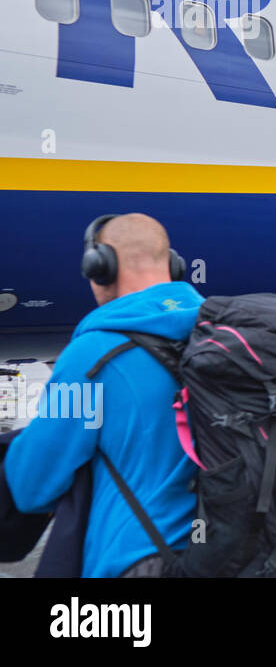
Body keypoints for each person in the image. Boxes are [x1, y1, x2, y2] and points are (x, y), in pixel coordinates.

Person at [2, 214, 202, 577]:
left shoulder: (92, 356)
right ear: (173, 266)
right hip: (233, 556)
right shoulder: (228, 336)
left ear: (100, 266)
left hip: (137, 564)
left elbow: (33, 487)